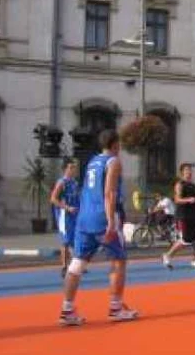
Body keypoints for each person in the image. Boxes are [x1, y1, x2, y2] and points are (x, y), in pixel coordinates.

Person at [59, 129, 138, 326]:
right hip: (103, 217)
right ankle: (116, 307)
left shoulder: (93, 162)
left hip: (84, 218)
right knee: (118, 261)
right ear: (115, 144)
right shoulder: (113, 161)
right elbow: (109, 193)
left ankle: (67, 310)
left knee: (77, 264)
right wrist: (111, 221)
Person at [162, 163, 195, 270]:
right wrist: (188, 200)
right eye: (187, 170)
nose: (189, 172)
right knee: (184, 241)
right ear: (182, 172)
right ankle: (167, 255)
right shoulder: (179, 185)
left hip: (193, 217)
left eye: (190, 170)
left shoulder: (193, 185)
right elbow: (177, 199)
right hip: (183, 216)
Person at [49, 158, 80, 278]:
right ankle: (64, 266)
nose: (73, 170)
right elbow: (53, 199)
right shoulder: (61, 182)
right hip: (64, 215)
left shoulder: (75, 183)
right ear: (65, 169)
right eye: (71, 167)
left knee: (75, 240)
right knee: (65, 241)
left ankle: (75, 264)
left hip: (75, 214)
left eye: (74, 167)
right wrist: (67, 208)